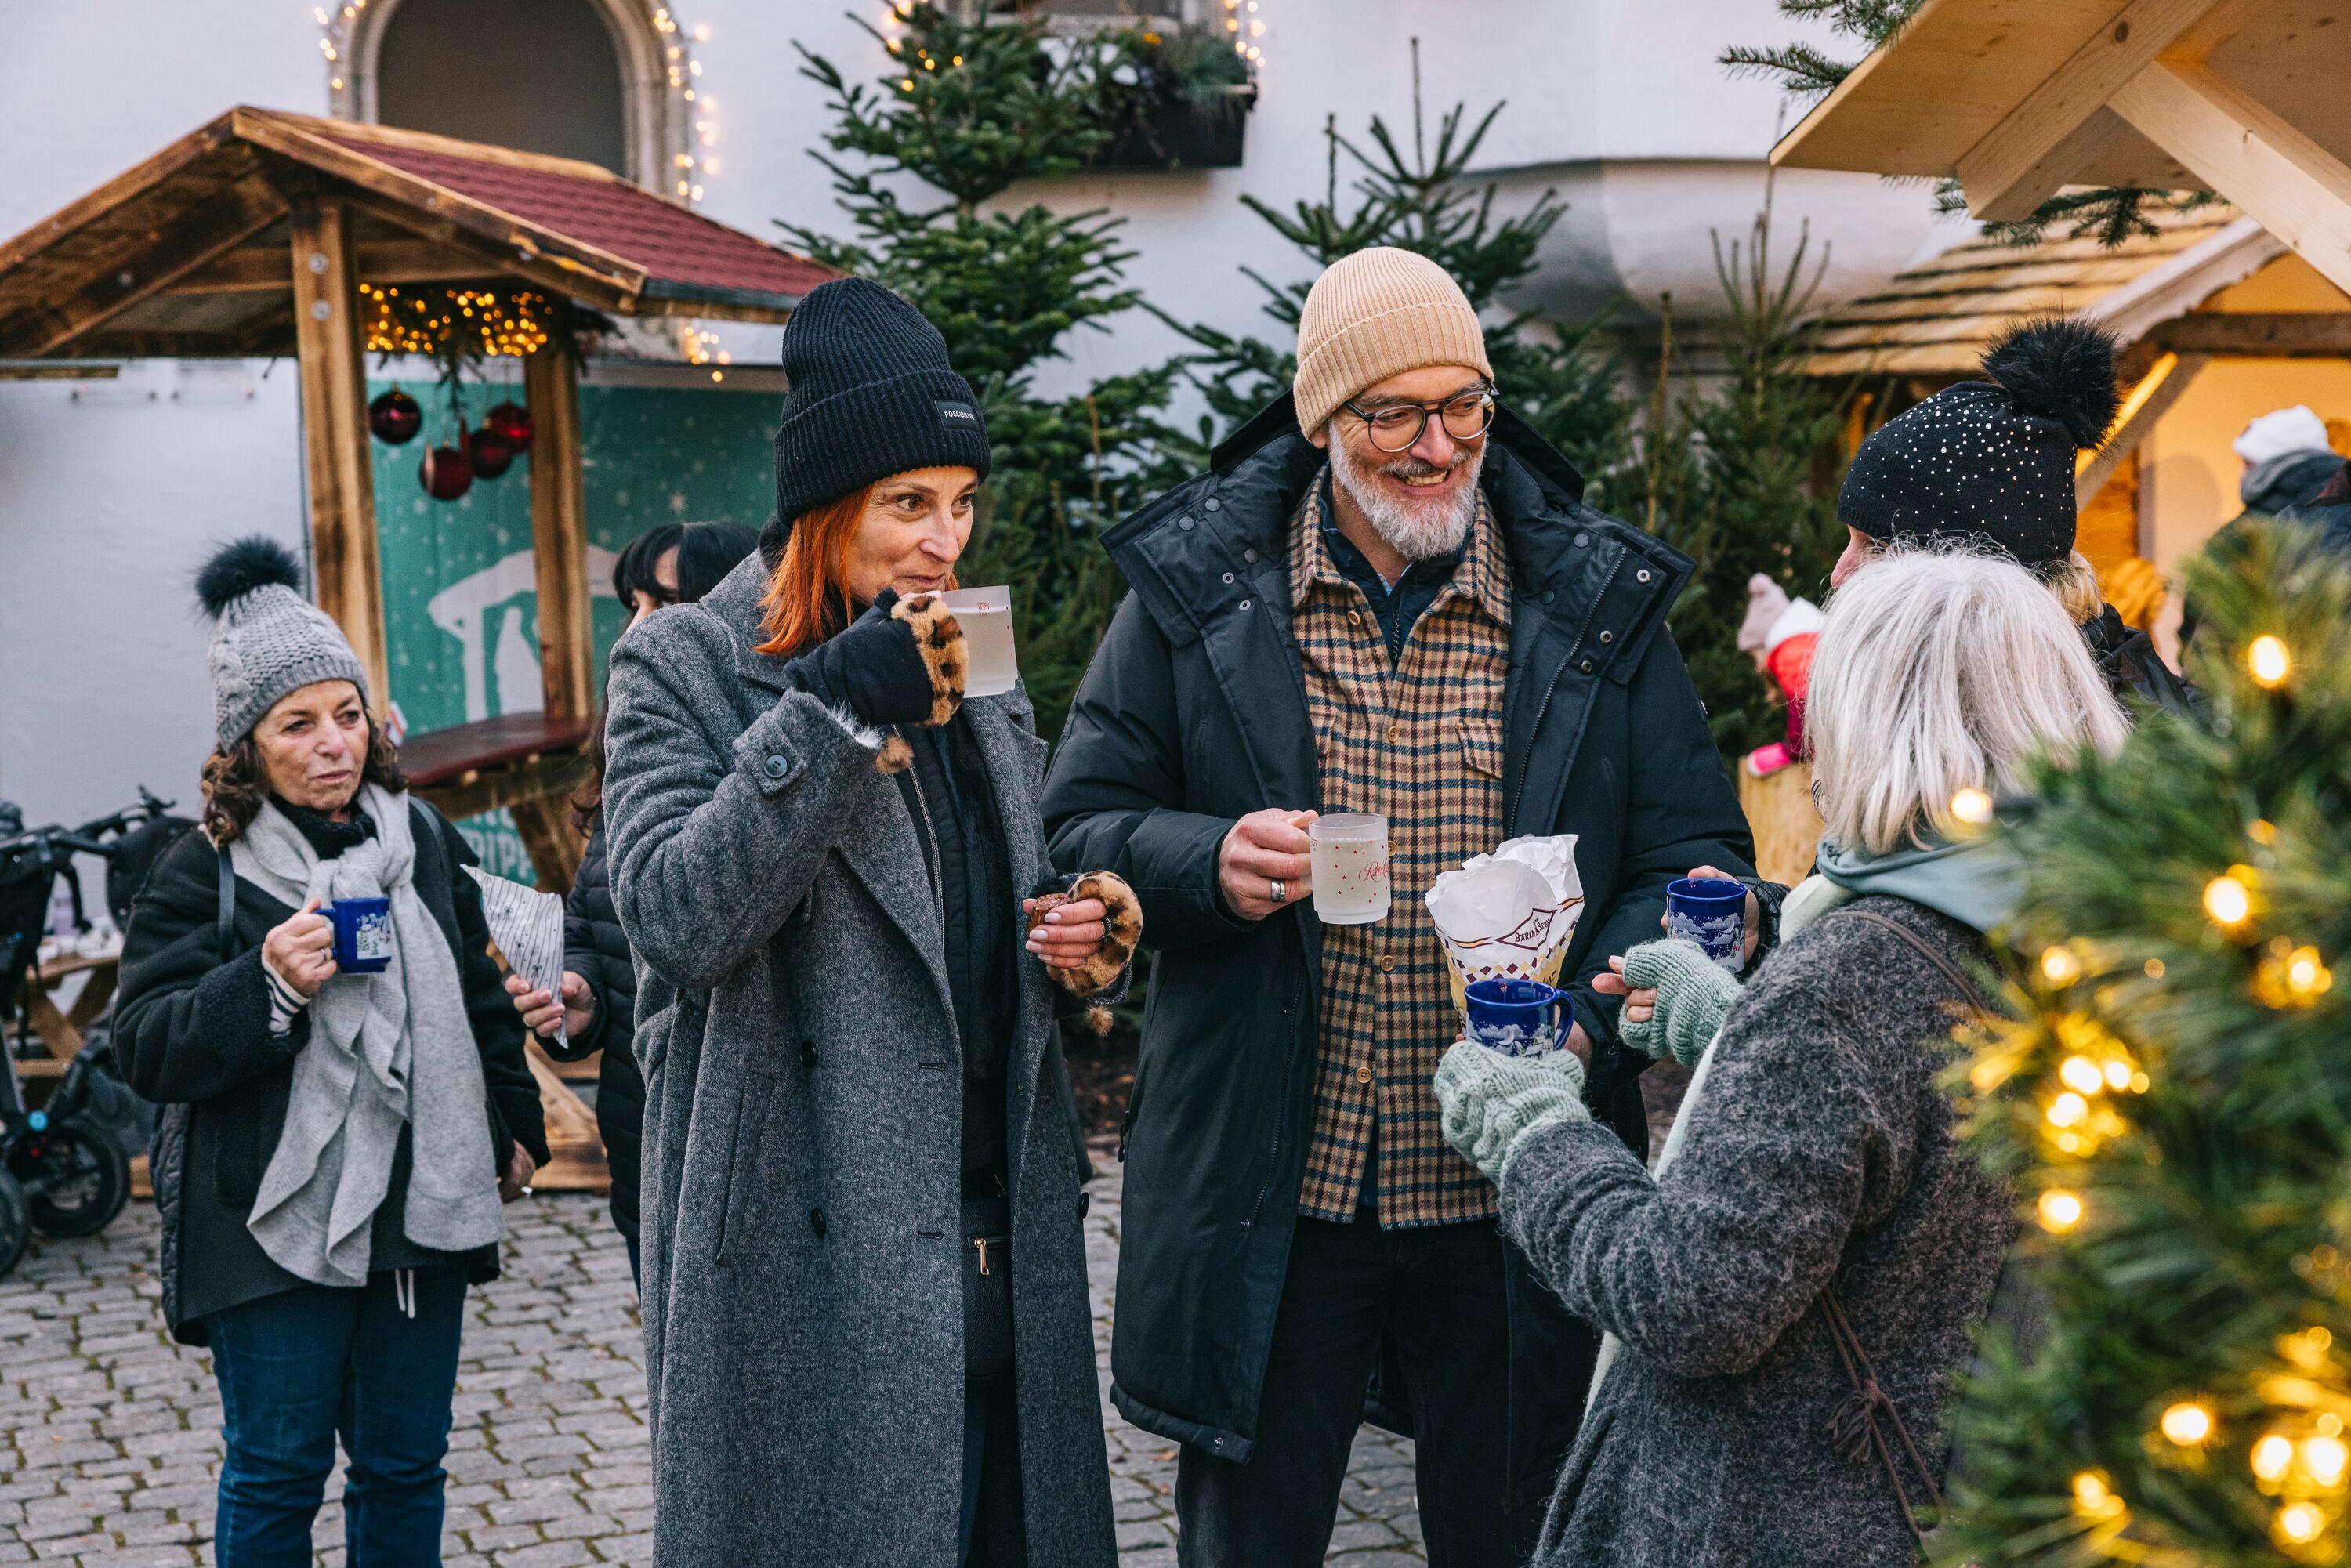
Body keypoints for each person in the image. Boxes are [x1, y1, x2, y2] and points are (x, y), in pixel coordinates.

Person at [1041, 245, 1761, 1564]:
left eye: (1464, 410)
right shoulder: (1203, 594)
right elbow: (1076, 822)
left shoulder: (1591, 604)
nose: (1438, 447)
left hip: (1515, 1193)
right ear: (1325, 423)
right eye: (1395, 415)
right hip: (1282, 1189)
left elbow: (1693, 849)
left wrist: (1596, 1020)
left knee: (1517, 1538)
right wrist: (1208, 861)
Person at [1434, 545, 2129, 1566]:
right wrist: (1734, 1032)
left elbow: (1689, 1297)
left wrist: (1534, 1124)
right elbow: (1916, 1149)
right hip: (1955, 1491)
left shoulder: (1852, 971)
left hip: (1777, 1513)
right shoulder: (2069, 929)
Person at [599, 277, 1133, 1568]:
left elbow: (1003, 899)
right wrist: (832, 711)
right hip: (810, 1270)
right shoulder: (682, 663)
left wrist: (1088, 943)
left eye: (961, 502)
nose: (944, 540)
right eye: (908, 504)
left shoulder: (970, 660)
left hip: (1007, 1242)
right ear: (822, 507)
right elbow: (673, 916)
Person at [115, 537, 549, 1567]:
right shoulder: (202, 869)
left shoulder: (423, 839)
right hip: (265, 1226)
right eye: (297, 723)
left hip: (417, 1212)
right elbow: (143, 1045)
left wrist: (514, 1127)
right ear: (248, 743)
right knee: (276, 1472)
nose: (330, 744)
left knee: (406, 1469)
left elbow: (485, 997)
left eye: (346, 713)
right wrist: (261, 983)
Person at [504, 517, 758, 1290]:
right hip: (642, 1130)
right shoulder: (631, 746)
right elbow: (591, 925)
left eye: (667, 603)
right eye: (634, 603)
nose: (639, 627)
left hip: (741, 1141)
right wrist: (579, 1001)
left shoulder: (760, 755)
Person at [1830, 317, 2198, 718]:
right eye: (1852, 541)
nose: (1839, 574)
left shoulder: (2105, 736)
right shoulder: (1997, 699)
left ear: (1978, 565)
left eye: (1879, 547)